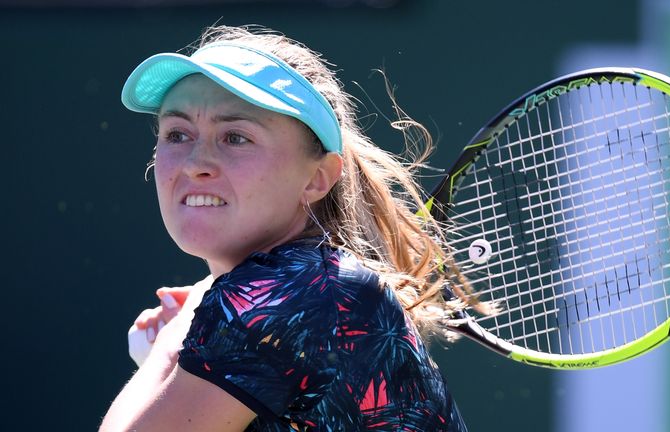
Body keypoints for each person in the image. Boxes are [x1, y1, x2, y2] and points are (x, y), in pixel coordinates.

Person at [100, 25, 479, 432]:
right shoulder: (304, 284)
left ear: (317, 178)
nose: (195, 162)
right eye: (177, 134)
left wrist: (173, 342)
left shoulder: (295, 291)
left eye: (235, 137)